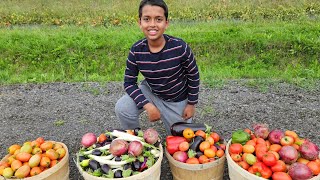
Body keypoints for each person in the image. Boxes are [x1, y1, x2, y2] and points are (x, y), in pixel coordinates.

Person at [115, 0, 200, 134]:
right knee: (123, 107)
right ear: (140, 23)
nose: (152, 24)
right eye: (147, 19)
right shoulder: (136, 50)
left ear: (166, 23)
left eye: (158, 19)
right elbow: (129, 83)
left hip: (176, 99)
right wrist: (147, 105)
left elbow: (193, 75)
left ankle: (175, 116)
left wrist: (191, 104)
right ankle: (134, 138)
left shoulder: (179, 47)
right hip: (151, 91)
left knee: (181, 138)